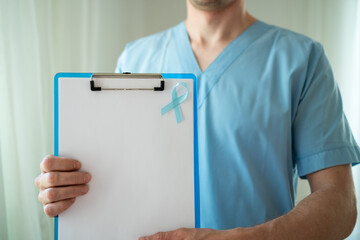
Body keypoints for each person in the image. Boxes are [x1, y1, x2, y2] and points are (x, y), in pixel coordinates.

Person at [35, 0, 360, 239]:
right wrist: (68, 187)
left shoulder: (302, 61)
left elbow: (340, 205)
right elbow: (118, 184)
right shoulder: (134, 59)